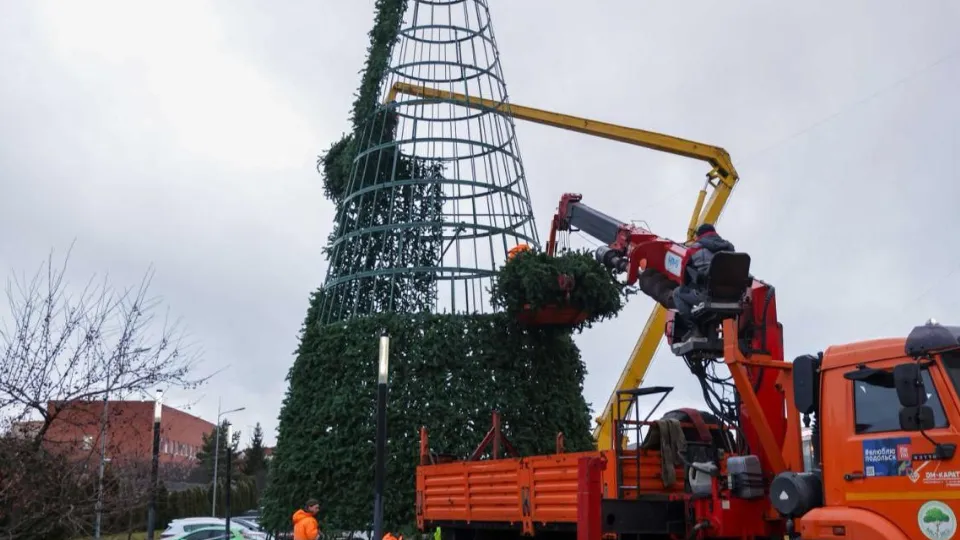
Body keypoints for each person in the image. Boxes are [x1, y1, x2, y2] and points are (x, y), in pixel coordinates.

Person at [671, 223, 735, 336]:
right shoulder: (729, 247)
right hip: (732, 296)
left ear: (699, 235)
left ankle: (693, 330)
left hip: (708, 296)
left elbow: (683, 278)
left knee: (677, 293)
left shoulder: (694, 249)